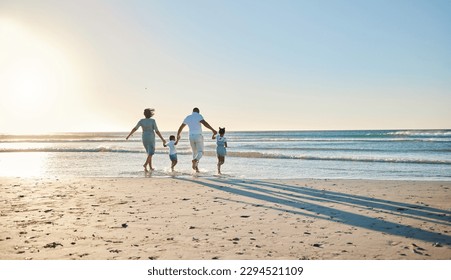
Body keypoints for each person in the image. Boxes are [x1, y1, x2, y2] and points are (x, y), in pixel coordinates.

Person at [177, 107, 217, 172]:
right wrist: (212, 130)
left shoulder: (188, 117)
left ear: (192, 111)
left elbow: (181, 127)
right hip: (198, 135)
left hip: (190, 136)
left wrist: (178, 135)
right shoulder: (198, 116)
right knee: (201, 152)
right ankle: (195, 161)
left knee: (194, 152)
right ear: (198, 112)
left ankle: (196, 169)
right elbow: (205, 123)